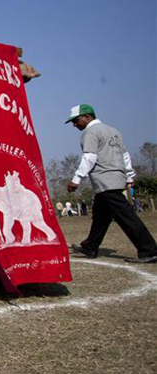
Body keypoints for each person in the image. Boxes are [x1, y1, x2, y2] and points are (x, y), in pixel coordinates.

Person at [65, 104, 157, 263]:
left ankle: (149, 250)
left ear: (87, 117)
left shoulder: (90, 132)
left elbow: (90, 157)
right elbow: (125, 155)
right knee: (101, 216)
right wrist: (129, 176)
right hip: (117, 178)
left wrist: (76, 179)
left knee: (127, 217)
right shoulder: (114, 131)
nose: (74, 124)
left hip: (105, 180)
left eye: (76, 120)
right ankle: (90, 246)